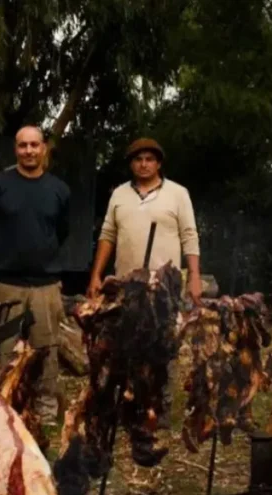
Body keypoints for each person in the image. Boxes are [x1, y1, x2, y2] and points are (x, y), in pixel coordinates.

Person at [87, 138, 202, 425]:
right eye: (138, 159)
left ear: (159, 163)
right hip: (127, 284)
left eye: (149, 159)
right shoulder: (120, 195)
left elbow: (190, 235)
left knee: (161, 344)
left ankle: (158, 407)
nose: (143, 164)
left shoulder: (178, 194)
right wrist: (96, 275)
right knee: (125, 343)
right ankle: (129, 404)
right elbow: (107, 235)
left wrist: (195, 277)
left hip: (164, 285)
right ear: (131, 164)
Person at [0, 125, 71, 419]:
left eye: (34, 145)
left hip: (45, 285)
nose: (28, 151)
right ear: (15, 149)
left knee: (46, 348)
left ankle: (45, 409)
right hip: (4, 284)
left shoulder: (59, 189)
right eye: (22, 146)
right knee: (1, 352)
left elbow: (62, 232)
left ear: (44, 149)